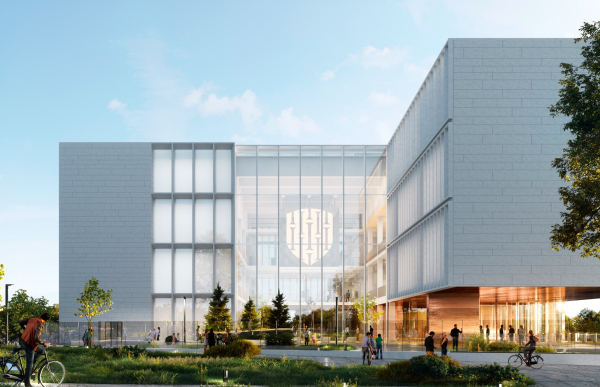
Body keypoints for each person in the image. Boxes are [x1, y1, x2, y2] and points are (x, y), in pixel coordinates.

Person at [19, 313, 50, 387]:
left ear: (40, 316)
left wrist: (25, 329)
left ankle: (32, 366)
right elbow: (37, 338)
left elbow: (20, 322)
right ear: (46, 320)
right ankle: (27, 383)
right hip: (29, 345)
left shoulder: (31, 319)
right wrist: (43, 343)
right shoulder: (39, 324)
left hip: (22, 341)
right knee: (29, 365)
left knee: (40, 351)